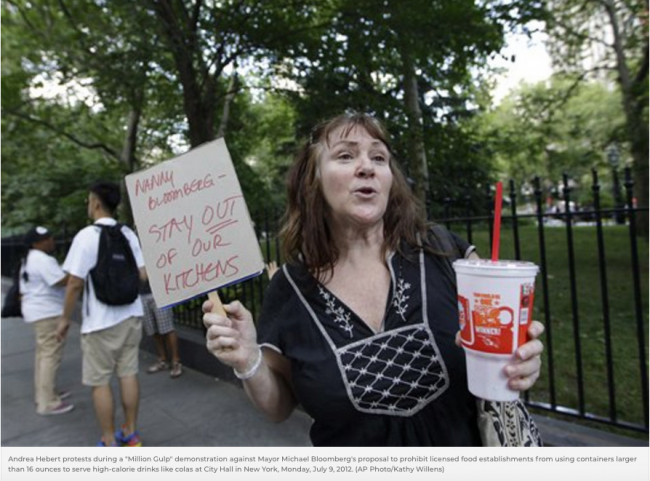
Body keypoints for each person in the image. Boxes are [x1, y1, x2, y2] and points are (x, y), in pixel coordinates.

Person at [203, 113, 544, 446]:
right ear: (313, 179)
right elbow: (279, 406)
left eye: (379, 157)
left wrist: (519, 361)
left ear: (389, 179)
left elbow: (499, 338)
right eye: (346, 155)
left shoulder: (445, 253)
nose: (367, 166)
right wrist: (248, 360)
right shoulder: (290, 289)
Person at [56, 181, 146, 447]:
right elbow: (142, 274)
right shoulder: (128, 234)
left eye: (88, 200)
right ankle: (130, 433)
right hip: (131, 316)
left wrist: (64, 320)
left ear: (95, 202)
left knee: (100, 382)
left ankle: (108, 440)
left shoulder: (86, 237)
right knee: (128, 374)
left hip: (100, 324)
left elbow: (74, 283)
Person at [19, 226, 74, 416]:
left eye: (50, 237)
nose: (51, 241)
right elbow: (60, 281)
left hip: (38, 312)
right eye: (46, 239)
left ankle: (45, 393)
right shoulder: (42, 259)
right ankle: (48, 402)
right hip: (48, 312)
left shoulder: (30, 259)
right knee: (50, 355)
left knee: (43, 355)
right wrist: (75, 272)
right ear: (36, 243)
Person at [140, 276, 182, 378]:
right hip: (141, 293)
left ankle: (176, 361)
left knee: (167, 327)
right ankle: (163, 359)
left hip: (159, 291)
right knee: (152, 329)